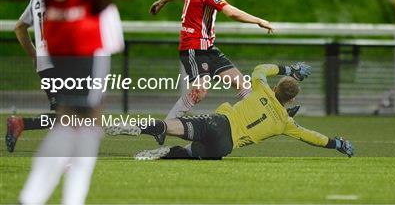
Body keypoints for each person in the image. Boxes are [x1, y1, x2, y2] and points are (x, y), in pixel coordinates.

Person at [0, 0, 139, 203]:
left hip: (54, 39)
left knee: (69, 117)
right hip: (86, 33)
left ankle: (48, 198)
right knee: (86, 119)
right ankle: (44, 197)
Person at [149, 0, 299, 123]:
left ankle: (267, 116)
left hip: (208, 48)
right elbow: (232, 13)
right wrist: (259, 21)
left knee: (241, 83)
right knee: (199, 91)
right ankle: (166, 125)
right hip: (194, 47)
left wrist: (160, 2)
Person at [105, 63, 354, 160]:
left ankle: (140, 128)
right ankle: (161, 154)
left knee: (172, 126)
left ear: (277, 86)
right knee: (190, 153)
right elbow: (311, 137)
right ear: (293, 99)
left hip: (219, 122)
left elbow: (260, 69)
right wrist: (337, 143)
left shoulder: (261, 88)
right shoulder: (286, 124)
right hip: (225, 146)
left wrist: (289, 69)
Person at [5, 0, 56, 152]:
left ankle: (20, 124)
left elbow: (19, 27)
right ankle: (21, 123)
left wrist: (35, 55)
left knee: (66, 114)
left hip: (44, 63)